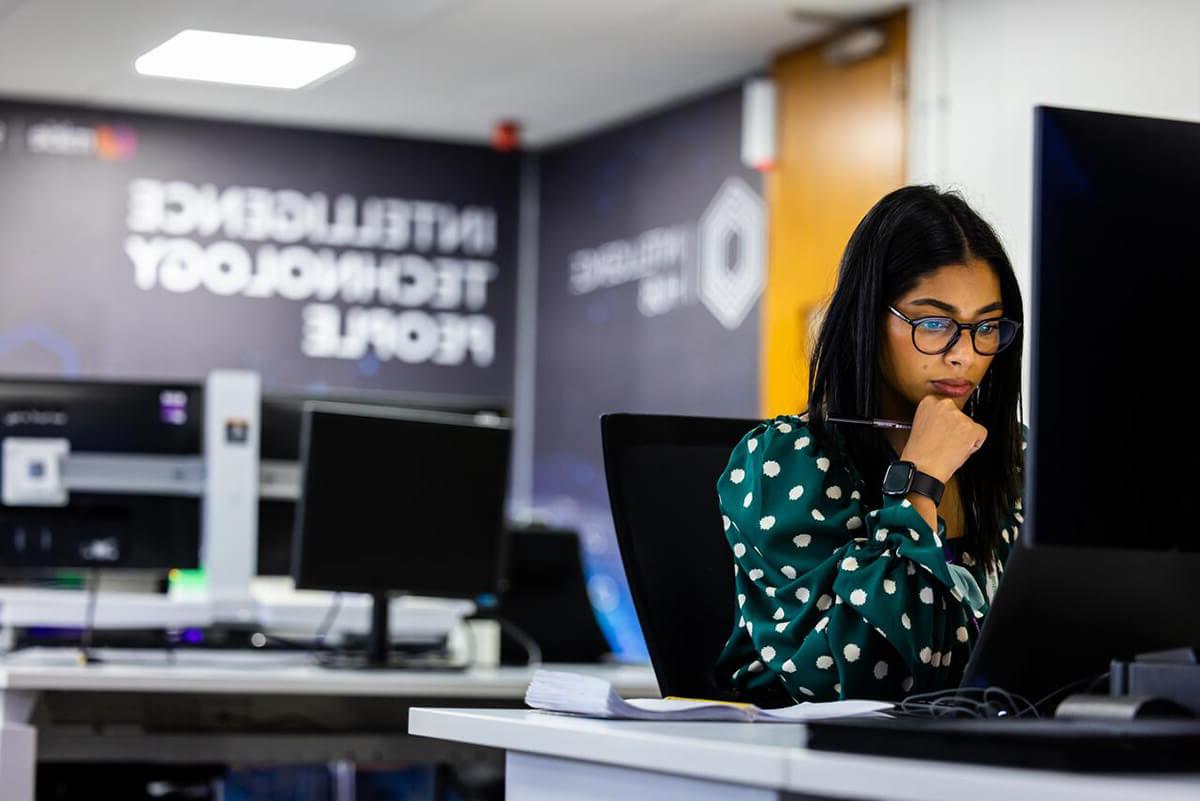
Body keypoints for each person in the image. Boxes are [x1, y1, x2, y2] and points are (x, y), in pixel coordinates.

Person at [713, 185, 1027, 703]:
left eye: (986, 327)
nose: (964, 356)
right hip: (820, 765)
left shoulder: (1013, 456)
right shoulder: (787, 461)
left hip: (992, 756)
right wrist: (920, 482)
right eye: (933, 323)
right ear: (868, 318)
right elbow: (845, 682)